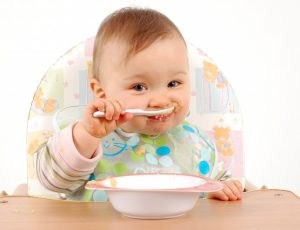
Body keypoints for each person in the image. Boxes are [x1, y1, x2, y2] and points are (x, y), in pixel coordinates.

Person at [36, 7, 243, 201]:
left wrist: (221, 188)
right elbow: (52, 181)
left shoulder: (192, 142)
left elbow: (216, 181)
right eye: (139, 87)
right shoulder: (88, 137)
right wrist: (87, 136)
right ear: (102, 93)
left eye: (173, 83)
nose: (161, 100)